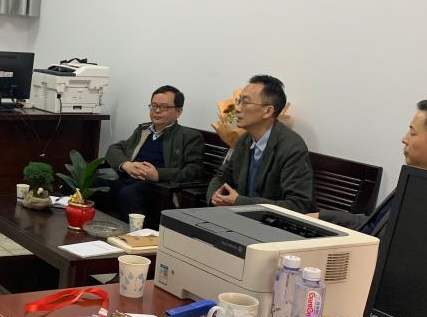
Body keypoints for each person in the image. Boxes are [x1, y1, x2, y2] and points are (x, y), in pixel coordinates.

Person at [319, 98, 427, 236]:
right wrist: (321, 217)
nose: (404, 139)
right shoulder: (418, 178)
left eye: (413, 133)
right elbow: (375, 226)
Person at [206, 75, 315, 214]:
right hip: (240, 218)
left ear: (268, 111)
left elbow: (297, 205)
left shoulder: (292, 147)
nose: (237, 108)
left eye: (245, 102)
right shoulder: (245, 140)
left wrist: (239, 202)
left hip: (274, 224)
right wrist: (215, 196)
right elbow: (222, 177)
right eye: (239, 101)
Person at [98, 85, 203, 224]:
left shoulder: (189, 136)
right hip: (128, 179)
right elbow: (115, 148)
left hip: (157, 187)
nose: (157, 111)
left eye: (164, 107)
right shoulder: (143, 130)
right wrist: (126, 165)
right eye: (154, 106)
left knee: (129, 193)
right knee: (90, 184)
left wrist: (158, 174)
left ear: (178, 111)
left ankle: (137, 234)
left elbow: (194, 171)